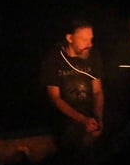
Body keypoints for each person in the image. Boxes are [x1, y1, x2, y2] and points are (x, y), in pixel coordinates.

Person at [40, 19, 104, 152]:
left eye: (91, 39)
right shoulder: (54, 59)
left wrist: (98, 119)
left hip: (89, 117)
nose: (89, 44)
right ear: (70, 38)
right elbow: (55, 99)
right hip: (65, 120)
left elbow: (97, 92)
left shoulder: (93, 56)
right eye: (84, 39)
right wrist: (82, 120)